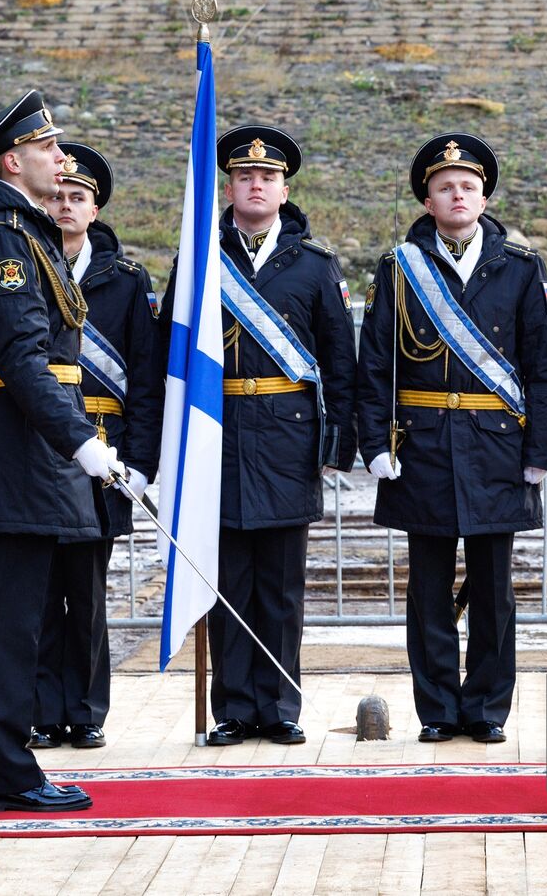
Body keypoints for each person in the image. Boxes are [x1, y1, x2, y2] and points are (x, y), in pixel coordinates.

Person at [356, 133, 547, 744]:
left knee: (495, 591)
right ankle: (439, 711)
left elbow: (545, 368)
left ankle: (487, 709)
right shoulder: (399, 269)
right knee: (427, 592)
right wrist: (375, 446)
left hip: (497, 446)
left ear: (483, 196)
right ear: (427, 199)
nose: (457, 195)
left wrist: (542, 452)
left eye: (467, 187)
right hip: (421, 446)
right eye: (444, 187)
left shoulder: (521, 269)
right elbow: (375, 366)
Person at [0, 89, 125, 812]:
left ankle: (0, 767)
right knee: (14, 620)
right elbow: (23, 359)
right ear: (12, 159)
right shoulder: (1, 236)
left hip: (29, 446)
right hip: (22, 448)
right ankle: (7, 773)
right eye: (49, 148)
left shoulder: (22, 229)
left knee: (17, 617)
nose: (61, 158)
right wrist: (80, 438)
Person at [170, 124, 358, 746]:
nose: (256, 184)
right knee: (227, 584)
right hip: (215, 438)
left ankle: (279, 706)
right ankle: (234, 709)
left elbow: (340, 360)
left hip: (286, 440)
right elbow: (169, 358)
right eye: (245, 176)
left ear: (284, 189)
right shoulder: (198, 258)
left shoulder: (313, 266)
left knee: (280, 587)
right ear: (228, 186)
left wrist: (337, 445)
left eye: (268, 177)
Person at [27, 143, 163, 751]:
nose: (64, 205)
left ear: (95, 208)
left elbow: (146, 375)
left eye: (77, 198)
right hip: (41, 448)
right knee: (38, 589)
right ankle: (39, 711)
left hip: (105, 455)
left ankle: (84, 712)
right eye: (57, 196)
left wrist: (141, 461)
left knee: (84, 593)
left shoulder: (127, 281)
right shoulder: (25, 263)